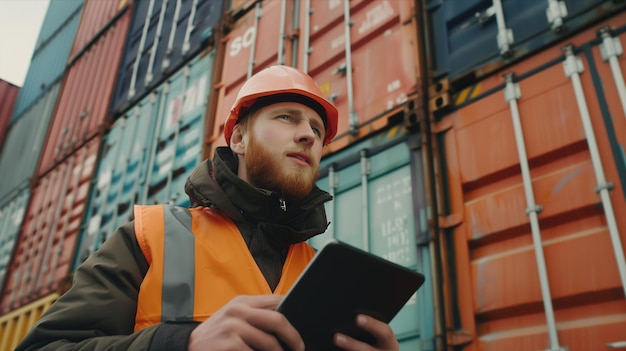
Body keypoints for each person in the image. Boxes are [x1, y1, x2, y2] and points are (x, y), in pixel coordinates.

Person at [15, 65, 400, 351]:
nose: (307, 135)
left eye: (317, 130)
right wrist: (182, 344)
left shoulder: (319, 272)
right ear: (238, 139)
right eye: (287, 118)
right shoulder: (153, 236)